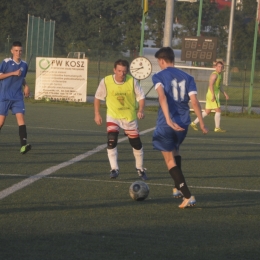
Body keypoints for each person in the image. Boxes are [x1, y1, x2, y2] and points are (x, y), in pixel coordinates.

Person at [152, 47, 208, 209]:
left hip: (166, 124)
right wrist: (202, 123)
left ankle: (188, 195)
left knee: (169, 160)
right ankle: (177, 187)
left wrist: (168, 120)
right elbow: (195, 102)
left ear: (162, 60)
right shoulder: (188, 77)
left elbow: (162, 97)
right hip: (184, 123)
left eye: (158, 62)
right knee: (175, 152)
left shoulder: (158, 76)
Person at [94, 59, 147, 180]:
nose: (121, 74)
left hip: (129, 117)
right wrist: (97, 114)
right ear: (114, 70)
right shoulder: (106, 81)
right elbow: (97, 98)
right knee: (111, 140)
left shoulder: (132, 81)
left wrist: (141, 110)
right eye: (119, 71)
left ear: (127, 71)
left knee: (136, 144)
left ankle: (140, 168)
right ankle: (114, 168)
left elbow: (141, 97)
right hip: (113, 115)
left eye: (124, 71)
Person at [0, 41, 31, 154]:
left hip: (17, 97)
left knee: (21, 118)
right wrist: (12, 73)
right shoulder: (6, 62)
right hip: (4, 96)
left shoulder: (24, 65)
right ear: (12, 51)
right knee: (1, 122)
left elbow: (22, 77)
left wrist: (26, 86)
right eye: (16, 50)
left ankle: (24, 145)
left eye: (20, 50)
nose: (18, 53)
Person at [190, 61, 229, 132]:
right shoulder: (214, 75)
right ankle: (217, 128)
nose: (220, 68)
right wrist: (213, 95)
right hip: (212, 94)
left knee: (207, 111)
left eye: (221, 67)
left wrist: (224, 93)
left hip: (211, 94)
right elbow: (210, 85)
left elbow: (219, 86)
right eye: (219, 66)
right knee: (218, 110)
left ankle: (193, 123)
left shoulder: (219, 75)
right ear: (215, 67)